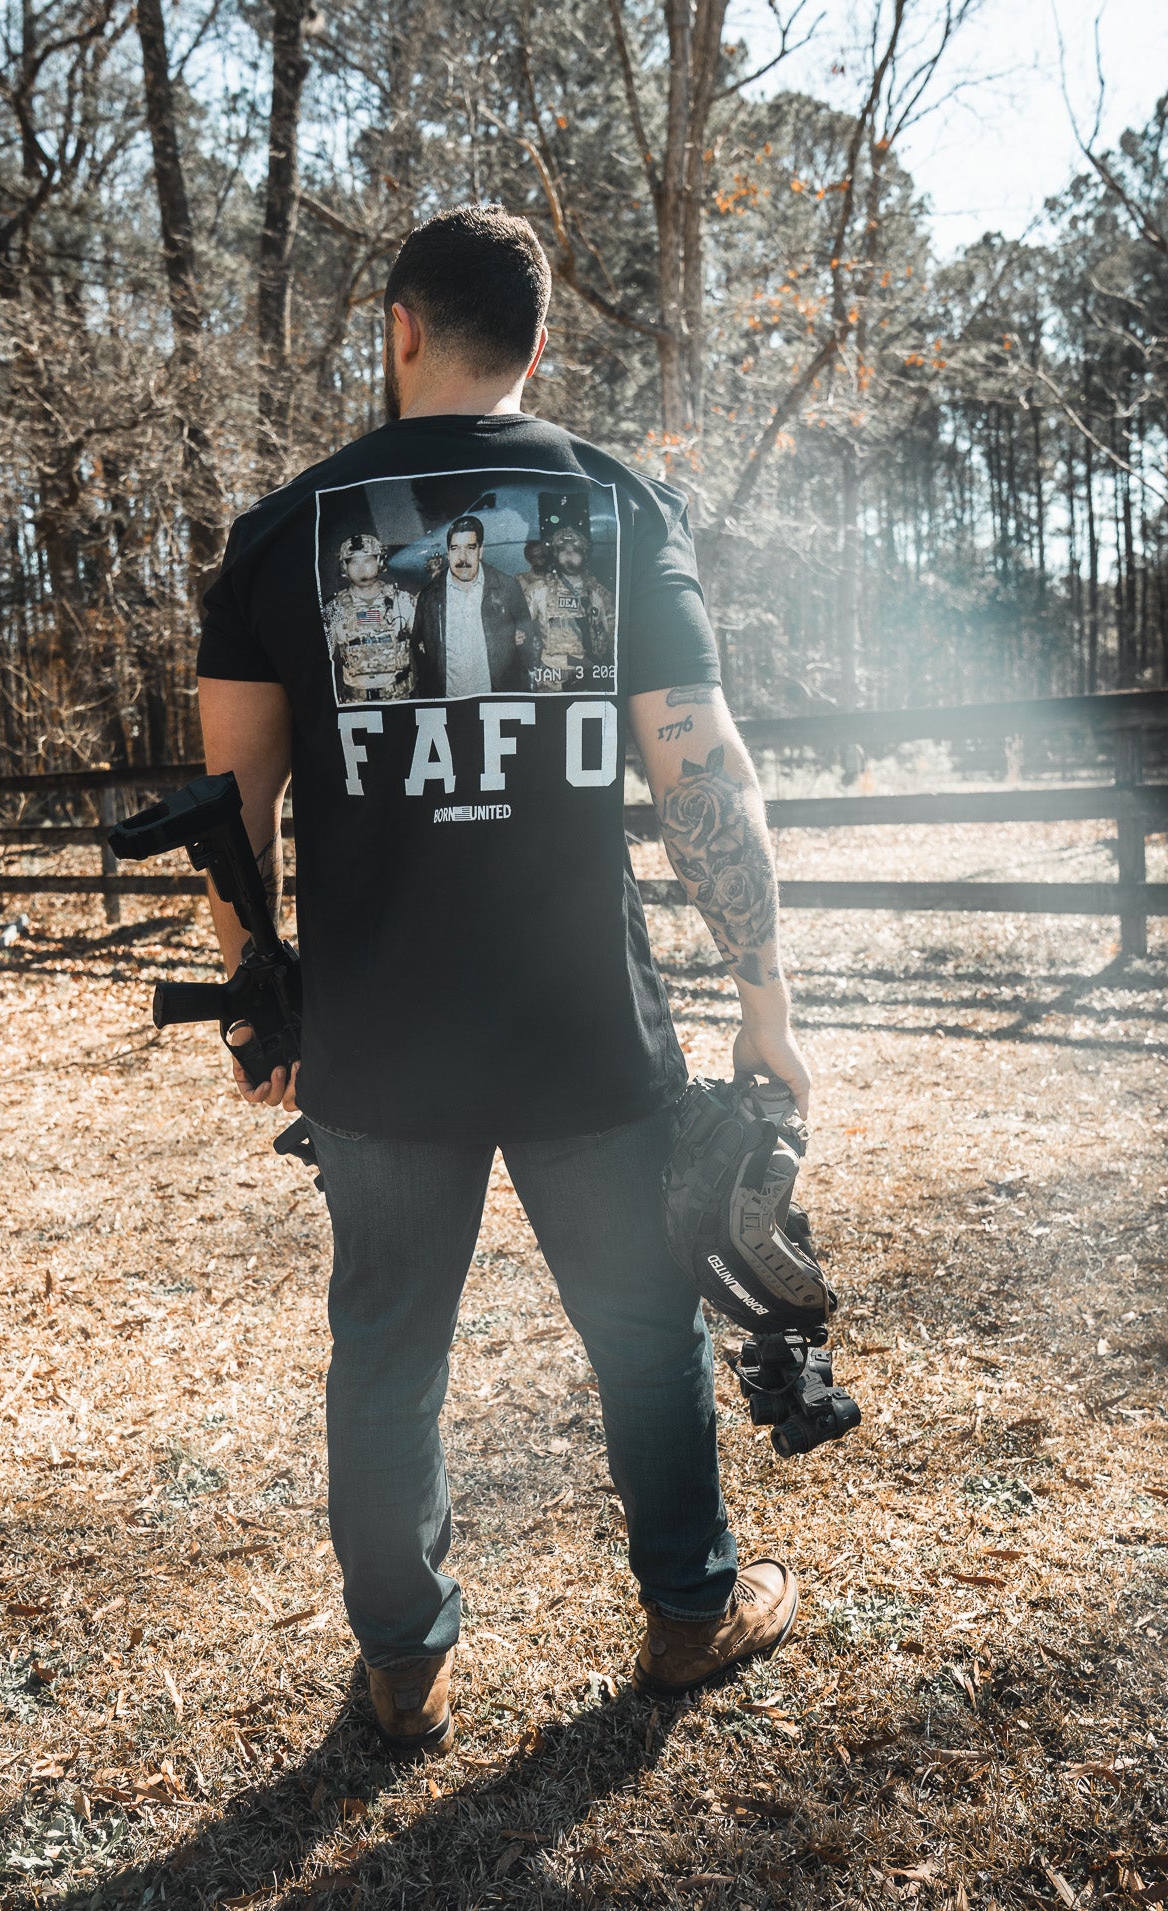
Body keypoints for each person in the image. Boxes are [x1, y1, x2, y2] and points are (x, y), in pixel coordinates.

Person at [196, 205, 811, 1754]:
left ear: (396, 331)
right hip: (579, 1024)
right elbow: (703, 775)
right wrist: (765, 998)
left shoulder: (276, 537)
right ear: (537, 349)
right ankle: (689, 1614)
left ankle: (404, 1665)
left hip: (378, 1040)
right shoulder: (617, 507)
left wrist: (262, 1002)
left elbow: (228, 814)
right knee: (640, 1325)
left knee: (387, 1349)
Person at [409, 513, 538, 696]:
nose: (462, 557)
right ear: (448, 552)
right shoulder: (430, 597)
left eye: (470, 548)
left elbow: (527, 642)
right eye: (455, 549)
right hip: (448, 703)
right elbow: (418, 652)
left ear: (481, 550)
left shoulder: (507, 588)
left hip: (494, 702)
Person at [322, 533, 415, 701]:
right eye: (354, 562)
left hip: (399, 700)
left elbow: (424, 647)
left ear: (379, 562)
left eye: (368, 560)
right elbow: (322, 659)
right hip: (357, 705)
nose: (361, 567)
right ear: (344, 566)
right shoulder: (334, 609)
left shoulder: (403, 601)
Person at [522, 523, 615, 691]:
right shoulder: (539, 590)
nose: (569, 555)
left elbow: (614, 637)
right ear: (555, 554)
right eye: (563, 550)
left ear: (585, 555)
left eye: (575, 550)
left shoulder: (599, 594)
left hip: (588, 676)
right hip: (550, 679)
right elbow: (521, 632)